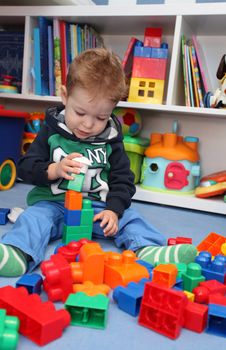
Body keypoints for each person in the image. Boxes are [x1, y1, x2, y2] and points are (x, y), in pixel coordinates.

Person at [0, 48, 197, 277]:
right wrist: (53, 169)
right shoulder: (52, 131)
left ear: (113, 110)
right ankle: (18, 253)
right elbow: (26, 166)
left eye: (101, 117)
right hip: (52, 204)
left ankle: (149, 248)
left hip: (97, 209)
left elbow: (123, 181)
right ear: (65, 96)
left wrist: (113, 210)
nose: (88, 124)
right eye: (80, 113)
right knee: (32, 218)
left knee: (131, 218)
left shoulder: (111, 140)